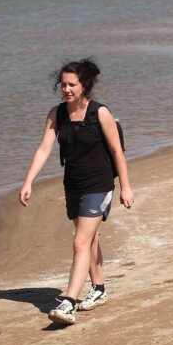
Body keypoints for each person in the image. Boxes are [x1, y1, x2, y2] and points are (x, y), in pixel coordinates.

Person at [19, 59, 134, 325]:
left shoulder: (99, 113)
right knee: (90, 240)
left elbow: (117, 152)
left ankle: (69, 302)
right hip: (73, 184)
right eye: (63, 84)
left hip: (99, 184)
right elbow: (44, 149)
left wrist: (125, 187)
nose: (67, 89)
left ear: (85, 85)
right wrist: (28, 182)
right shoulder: (56, 114)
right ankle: (99, 289)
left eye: (72, 84)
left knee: (79, 242)